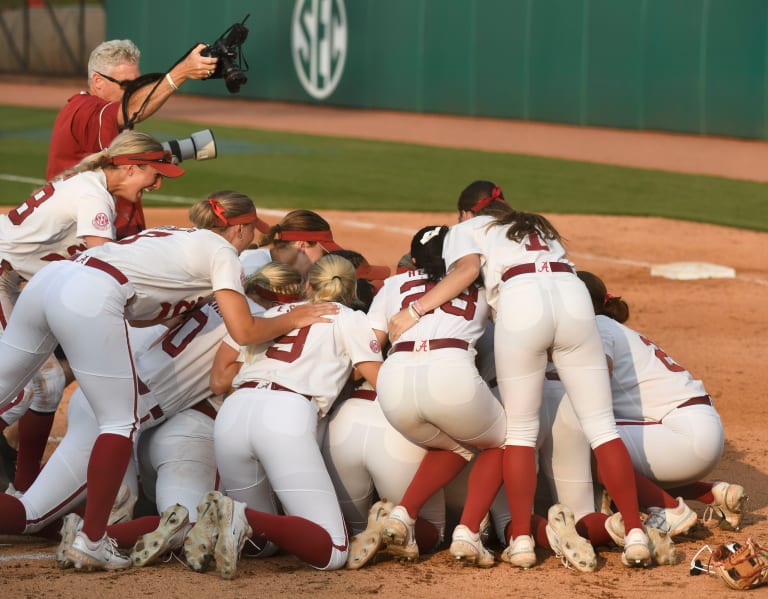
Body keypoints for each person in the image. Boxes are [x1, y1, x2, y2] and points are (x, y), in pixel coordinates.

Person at [0, 191, 336, 572]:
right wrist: (294, 319)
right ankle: (92, 540)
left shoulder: (180, 246)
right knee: (32, 513)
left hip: (61, 289)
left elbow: (141, 317)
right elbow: (241, 337)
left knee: (10, 400)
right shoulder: (234, 284)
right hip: (119, 398)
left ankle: (89, 530)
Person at [387, 180, 651, 568]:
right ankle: (635, 533)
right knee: (602, 427)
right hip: (573, 298)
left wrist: (414, 311)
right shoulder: (535, 225)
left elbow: (466, 270)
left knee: (521, 433)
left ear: (465, 213)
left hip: (523, 304)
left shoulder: (466, 229)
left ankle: (523, 540)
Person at [0, 129, 173, 494]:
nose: (156, 185)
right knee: (17, 393)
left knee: (47, 386)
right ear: (129, 167)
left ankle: (23, 485)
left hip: (12, 279)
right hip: (2, 274)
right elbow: (105, 266)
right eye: (154, 174)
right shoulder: (93, 196)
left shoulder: (90, 184)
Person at [206, 254, 382, 578]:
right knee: (332, 551)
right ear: (351, 290)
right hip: (286, 415)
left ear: (307, 285)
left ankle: (227, 518)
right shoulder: (349, 317)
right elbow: (378, 378)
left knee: (260, 546)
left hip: (233, 412)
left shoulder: (269, 314)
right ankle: (240, 516)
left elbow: (218, 378)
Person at [360, 225, 506, 568]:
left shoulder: (395, 284)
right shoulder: (481, 284)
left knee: (456, 444)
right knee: (503, 441)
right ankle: (469, 532)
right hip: (450, 372)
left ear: (413, 260)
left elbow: (369, 344)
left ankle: (403, 515)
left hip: (393, 382)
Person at [318, 249, 444, 569]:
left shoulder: (360, 315)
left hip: (342, 425)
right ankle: (389, 525)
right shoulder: (449, 313)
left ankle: (369, 527)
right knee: (431, 530)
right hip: (399, 422)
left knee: (351, 530)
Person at [47, 38, 218, 237]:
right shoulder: (84, 110)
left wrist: (177, 151)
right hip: (87, 238)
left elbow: (120, 157)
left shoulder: (101, 113)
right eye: (125, 84)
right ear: (98, 81)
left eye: (135, 84)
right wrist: (181, 73)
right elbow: (132, 110)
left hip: (110, 227)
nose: (132, 91)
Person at [239, 209, 344, 278]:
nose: (324, 261)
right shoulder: (252, 268)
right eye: (323, 254)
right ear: (302, 245)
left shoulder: (291, 274)